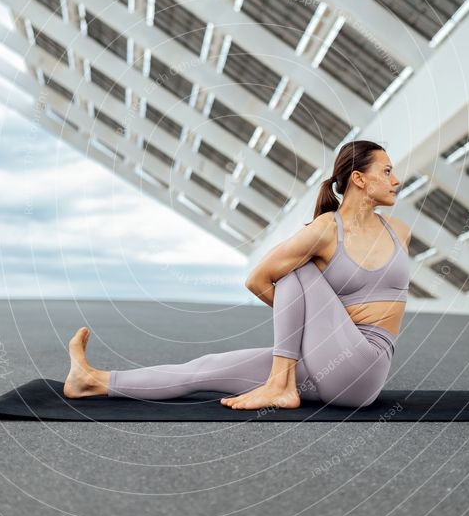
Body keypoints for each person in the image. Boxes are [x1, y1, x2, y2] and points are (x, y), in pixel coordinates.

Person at [63, 140, 411, 410]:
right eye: (386, 171)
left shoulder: (399, 231)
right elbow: (257, 279)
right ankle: (92, 380)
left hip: (366, 365)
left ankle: (279, 382)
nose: (395, 180)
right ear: (359, 179)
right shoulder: (324, 230)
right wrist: (308, 328)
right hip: (331, 363)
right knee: (208, 367)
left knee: (294, 270)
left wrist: (310, 323)